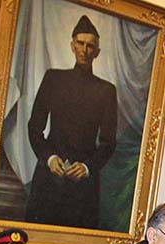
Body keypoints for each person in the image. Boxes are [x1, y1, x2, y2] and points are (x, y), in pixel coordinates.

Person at [25, 15, 118, 229]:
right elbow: (34, 128)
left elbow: (108, 143)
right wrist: (49, 158)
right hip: (49, 178)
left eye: (90, 46)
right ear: (72, 45)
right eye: (80, 43)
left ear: (97, 52)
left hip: (83, 186)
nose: (85, 50)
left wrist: (87, 167)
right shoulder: (53, 79)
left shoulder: (105, 91)